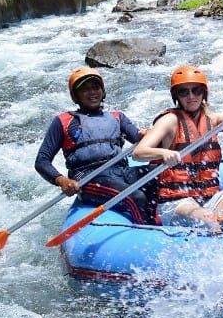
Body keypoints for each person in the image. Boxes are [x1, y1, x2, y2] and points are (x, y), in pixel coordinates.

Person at [133, 65, 223, 233]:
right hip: (176, 203)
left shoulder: (212, 119)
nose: (191, 96)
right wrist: (163, 152)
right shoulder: (170, 120)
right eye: (184, 92)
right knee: (208, 221)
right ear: (176, 96)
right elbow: (139, 152)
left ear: (203, 93)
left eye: (196, 90)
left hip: (208, 198)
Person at [35, 67, 153, 224]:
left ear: (103, 92)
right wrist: (62, 181)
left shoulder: (117, 117)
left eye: (96, 87)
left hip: (121, 171)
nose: (92, 92)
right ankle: (150, 231)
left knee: (160, 177)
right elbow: (42, 160)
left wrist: (151, 134)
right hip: (89, 179)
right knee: (136, 197)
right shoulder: (64, 121)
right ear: (75, 96)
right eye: (85, 89)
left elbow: (142, 141)